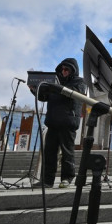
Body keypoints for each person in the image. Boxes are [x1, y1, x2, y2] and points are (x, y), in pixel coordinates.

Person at [30, 58, 85, 188]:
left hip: (67, 122)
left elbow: (75, 94)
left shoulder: (79, 82)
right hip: (53, 122)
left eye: (66, 69)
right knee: (49, 153)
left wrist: (55, 86)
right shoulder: (54, 83)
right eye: (62, 69)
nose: (63, 71)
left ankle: (67, 178)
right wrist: (34, 89)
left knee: (67, 152)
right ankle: (47, 180)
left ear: (73, 70)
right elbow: (44, 97)